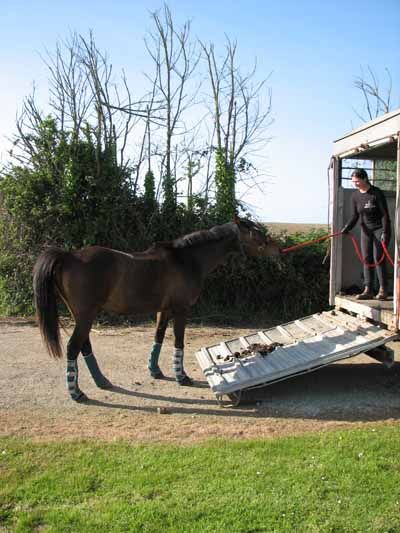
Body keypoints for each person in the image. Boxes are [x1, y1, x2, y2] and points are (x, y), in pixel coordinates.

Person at [341, 168, 391, 301]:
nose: (355, 184)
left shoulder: (376, 193)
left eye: (357, 181)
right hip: (366, 230)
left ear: (365, 179)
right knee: (366, 259)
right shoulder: (355, 196)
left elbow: (385, 215)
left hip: (380, 228)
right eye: (353, 182)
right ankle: (368, 289)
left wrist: (385, 232)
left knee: (378, 258)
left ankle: (383, 289)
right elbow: (355, 216)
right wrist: (346, 228)